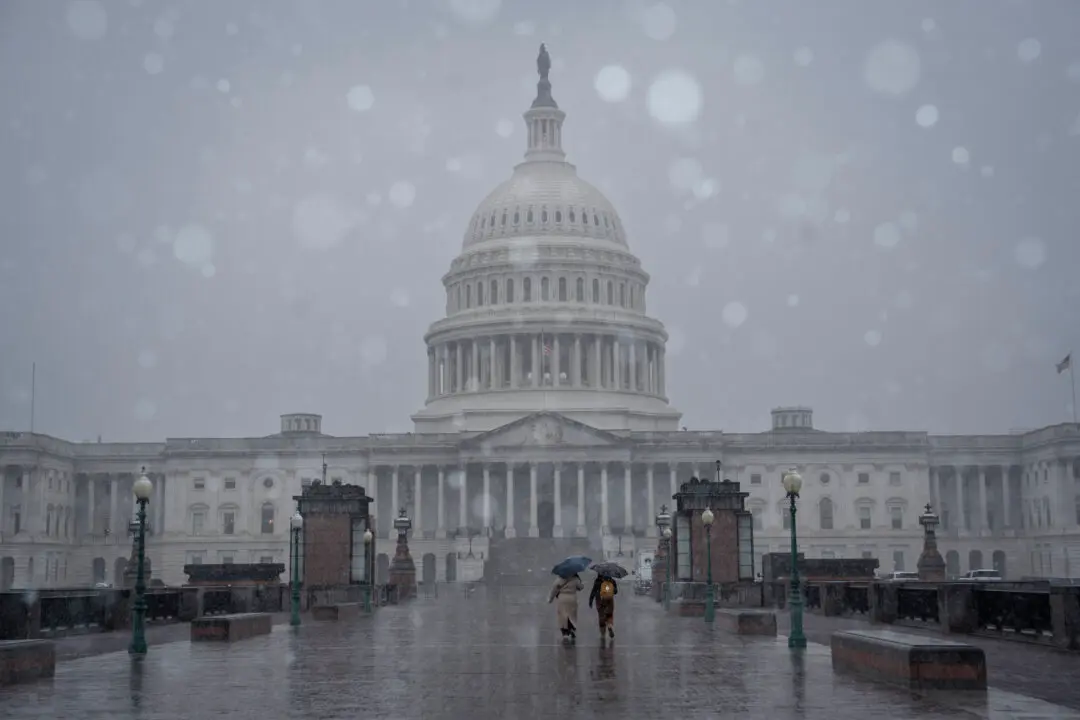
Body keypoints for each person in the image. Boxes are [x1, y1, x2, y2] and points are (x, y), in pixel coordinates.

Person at [548, 573, 583, 642]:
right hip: (572, 598)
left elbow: (554, 590)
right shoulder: (575, 579)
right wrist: (579, 581)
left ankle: (565, 631)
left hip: (562, 598)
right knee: (572, 614)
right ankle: (572, 627)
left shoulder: (559, 580)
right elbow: (581, 587)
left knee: (563, 615)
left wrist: (550, 599)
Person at [589, 574, 618, 639]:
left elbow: (593, 591)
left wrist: (590, 600)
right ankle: (609, 626)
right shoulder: (612, 581)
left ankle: (603, 634)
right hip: (610, 600)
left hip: (600, 599)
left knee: (601, 616)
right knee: (609, 614)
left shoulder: (598, 581)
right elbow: (616, 591)